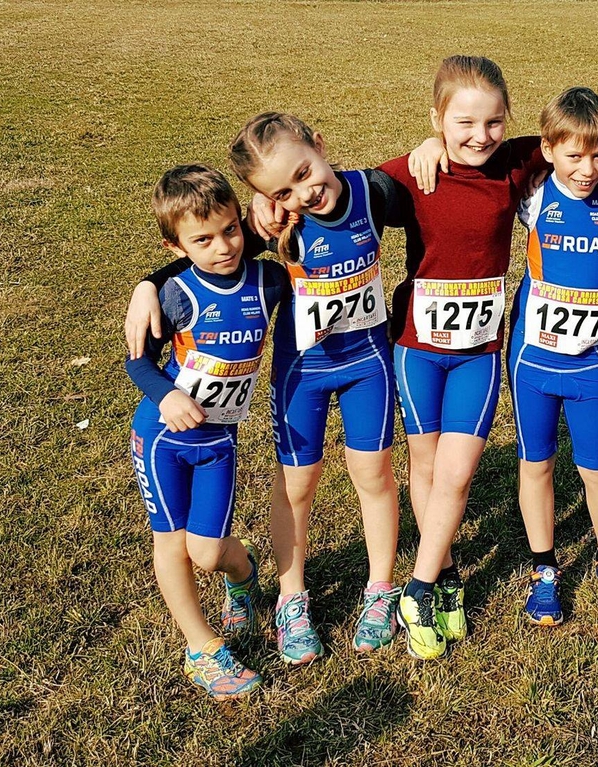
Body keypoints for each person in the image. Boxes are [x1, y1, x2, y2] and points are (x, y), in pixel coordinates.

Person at [379, 56, 598, 660]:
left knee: (459, 472)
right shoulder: (412, 171)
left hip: (484, 350)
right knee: (427, 469)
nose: (480, 136)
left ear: (510, 122)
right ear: (438, 118)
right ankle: (439, 578)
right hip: (417, 346)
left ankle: (424, 586)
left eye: (494, 122)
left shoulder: (523, 163)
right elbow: (338, 194)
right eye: (463, 123)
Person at [129, 114, 404, 664]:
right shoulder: (269, 226)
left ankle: (381, 589)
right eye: (282, 191)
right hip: (302, 373)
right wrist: (148, 283)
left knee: (373, 473)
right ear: (264, 201)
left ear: (320, 147)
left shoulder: (371, 192)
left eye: (305, 173)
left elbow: (430, 190)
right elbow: (203, 258)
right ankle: (290, 595)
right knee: (297, 485)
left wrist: (428, 146)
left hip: (368, 364)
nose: (305, 192)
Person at [127, 164, 287, 698]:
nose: (222, 246)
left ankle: (243, 580)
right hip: (163, 440)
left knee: (210, 551)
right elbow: (138, 362)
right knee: (173, 545)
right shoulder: (174, 292)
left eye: (230, 230)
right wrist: (167, 395)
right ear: (176, 245)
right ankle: (202, 647)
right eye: (202, 239)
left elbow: (302, 257)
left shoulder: (267, 280)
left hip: (220, 442)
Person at [507, 87, 598, 626]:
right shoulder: (533, 195)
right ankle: (545, 568)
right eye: (573, 155)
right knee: (535, 463)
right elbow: (483, 157)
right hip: (531, 362)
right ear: (548, 149)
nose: (587, 169)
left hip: (592, 363)